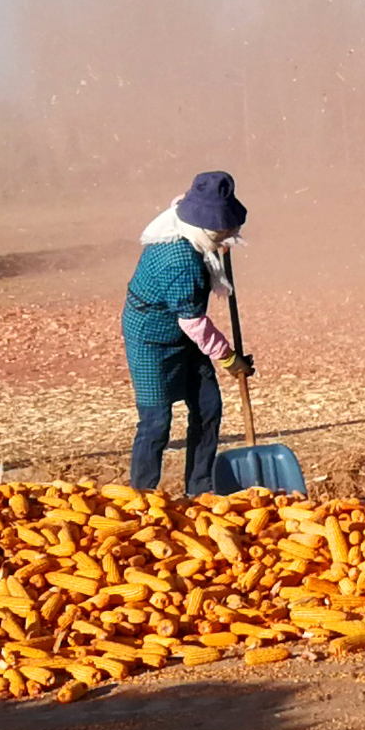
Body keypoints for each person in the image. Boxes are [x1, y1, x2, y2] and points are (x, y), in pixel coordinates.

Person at [123, 171, 250, 498]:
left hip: (182, 335)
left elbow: (188, 202)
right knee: (155, 423)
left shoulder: (187, 218)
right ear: (206, 228)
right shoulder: (180, 260)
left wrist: (221, 242)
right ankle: (140, 498)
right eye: (222, 231)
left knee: (208, 407)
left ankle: (200, 491)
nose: (227, 236)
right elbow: (193, 323)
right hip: (150, 338)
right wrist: (229, 358)